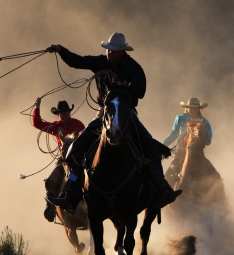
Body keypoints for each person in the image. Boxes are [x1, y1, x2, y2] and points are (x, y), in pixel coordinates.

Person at [45, 32, 182, 212]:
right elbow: (77, 61)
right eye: (109, 50)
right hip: (103, 114)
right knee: (76, 147)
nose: (110, 53)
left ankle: (161, 190)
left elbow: (140, 91)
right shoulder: (100, 62)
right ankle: (70, 194)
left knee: (150, 147)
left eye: (114, 51)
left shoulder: (134, 68)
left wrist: (122, 82)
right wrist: (61, 50)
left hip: (127, 115)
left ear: (122, 52)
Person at [32, 97, 85, 222]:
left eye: (66, 112)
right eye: (62, 112)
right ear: (58, 114)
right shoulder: (55, 126)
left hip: (79, 158)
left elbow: (85, 137)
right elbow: (37, 123)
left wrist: (64, 131)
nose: (64, 114)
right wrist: (37, 107)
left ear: (69, 112)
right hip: (63, 158)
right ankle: (50, 207)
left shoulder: (78, 124)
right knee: (52, 180)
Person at [163, 97, 212, 183]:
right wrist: (162, 146)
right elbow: (174, 134)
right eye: (191, 107)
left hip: (198, 154)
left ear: (199, 109)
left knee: (214, 176)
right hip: (181, 152)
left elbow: (208, 142)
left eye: (195, 108)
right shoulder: (180, 119)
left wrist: (202, 133)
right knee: (168, 175)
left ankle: (218, 194)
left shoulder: (204, 122)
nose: (193, 109)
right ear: (188, 108)